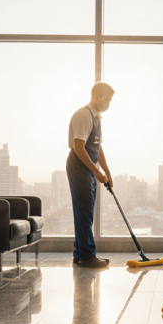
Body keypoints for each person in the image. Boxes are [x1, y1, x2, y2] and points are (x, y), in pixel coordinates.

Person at [67, 82, 115, 268]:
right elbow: (78, 147)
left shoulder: (97, 118)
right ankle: (87, 256)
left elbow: (97, 148)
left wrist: (107, 172)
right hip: (79, 167)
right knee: (84, 211)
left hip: (88, 169)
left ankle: (79, 254)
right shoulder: (83, 115)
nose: (108, 103)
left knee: (85, 211)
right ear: (96, 97)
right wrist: (96, 171)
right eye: (107, 100)